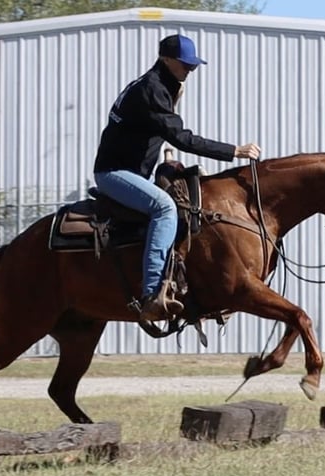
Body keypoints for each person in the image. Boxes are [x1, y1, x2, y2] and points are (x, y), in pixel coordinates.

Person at [93, 34, 261, 322]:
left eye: (193, 67)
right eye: (185, 65)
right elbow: (183, 138)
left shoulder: (158, 87)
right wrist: (235, 150)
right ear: (166, 59)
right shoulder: (152, 89)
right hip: (113, 174)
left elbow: (156, 133)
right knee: (165, 208)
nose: (189, 71)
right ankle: (152, 292)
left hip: (133, 172)